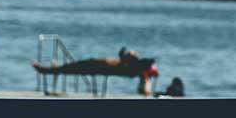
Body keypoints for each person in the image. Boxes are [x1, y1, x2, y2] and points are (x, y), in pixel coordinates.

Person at [30, 48, 159, 96]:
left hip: (98, 65)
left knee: (75, 67)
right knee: (74, 67)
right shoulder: (133, 65)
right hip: (98, 64)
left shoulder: (132, 66)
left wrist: (127, 55)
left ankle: (50, 69)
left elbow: (144, 85)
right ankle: (53, 69)